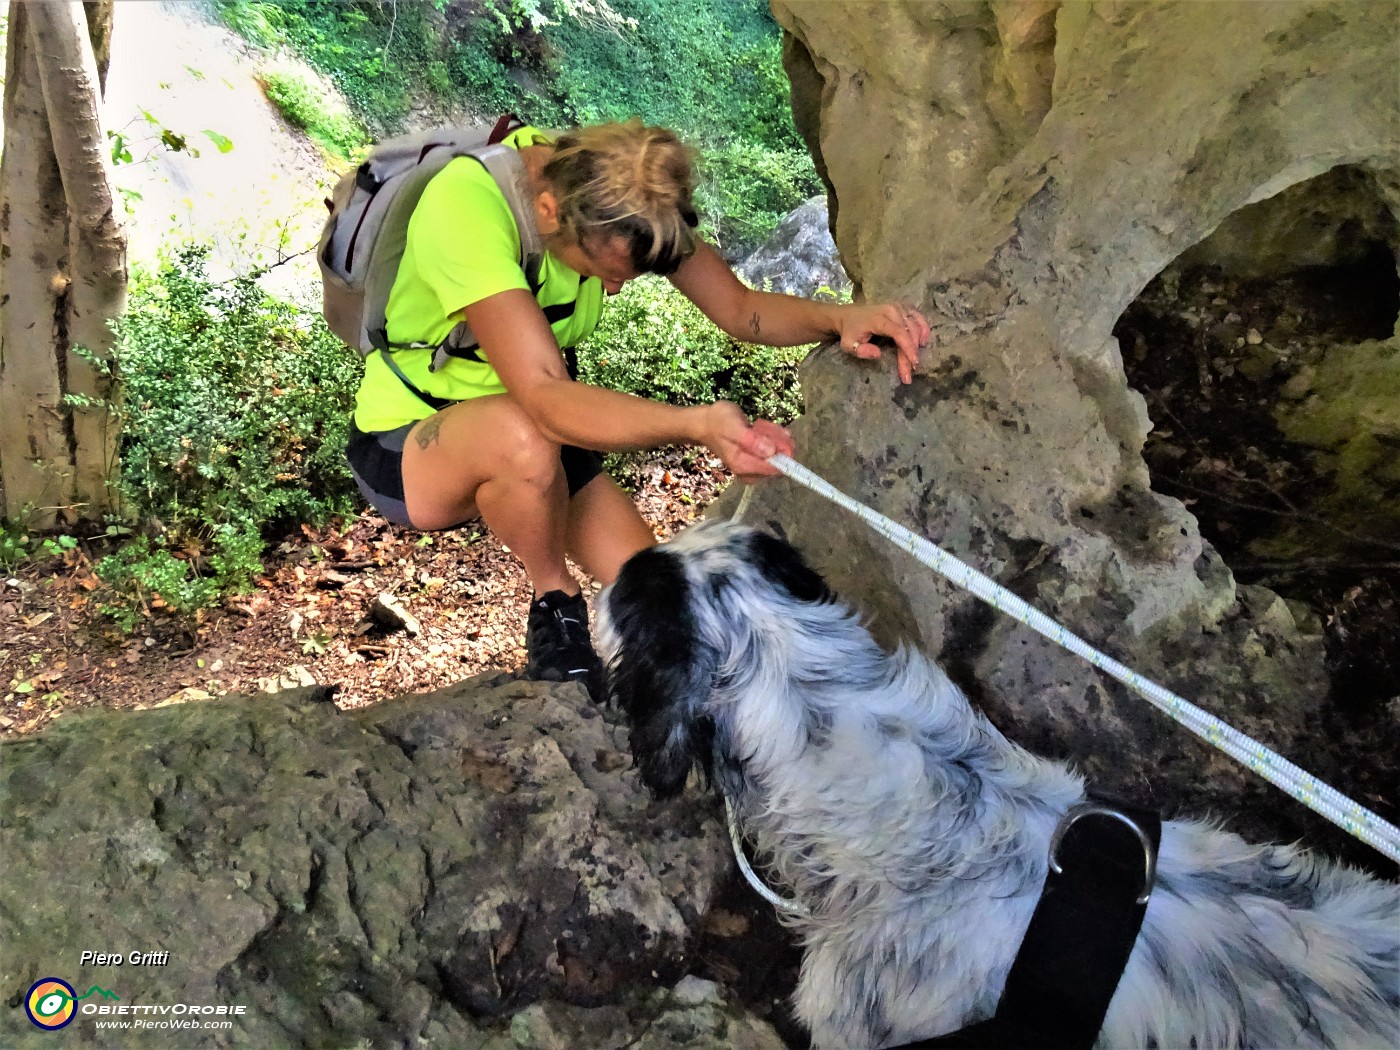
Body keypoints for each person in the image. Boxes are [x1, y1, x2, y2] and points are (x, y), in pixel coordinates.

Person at [345, 118, 930, 696]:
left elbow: (739, 307)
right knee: (520, 436)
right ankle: (556, 605)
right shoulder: (468, 207)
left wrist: (838, 318)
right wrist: (696, 425)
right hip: (412, 440)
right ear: (547, 212)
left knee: (664, 595)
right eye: (600, 271)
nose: (615, 289)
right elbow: (546, 398)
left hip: (542, 436)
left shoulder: (632, 198)